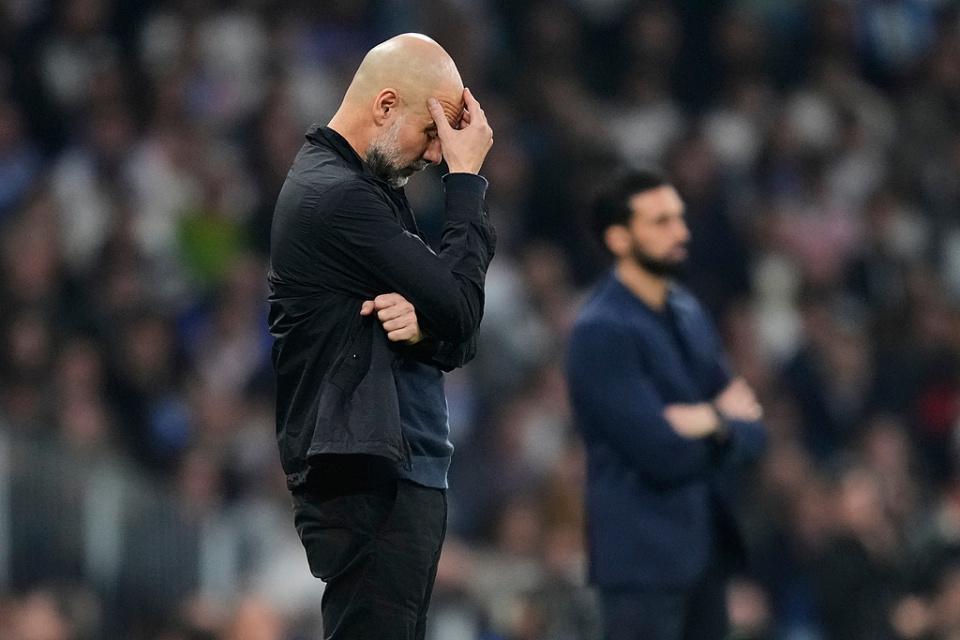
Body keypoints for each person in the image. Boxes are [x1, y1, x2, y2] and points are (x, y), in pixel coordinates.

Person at [267, 34, 495, 639]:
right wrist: (467, 181)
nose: (437, 154)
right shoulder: (337, 196)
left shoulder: (369, 189)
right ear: (386, 104)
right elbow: (461, 310)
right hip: (369, 481)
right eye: (432, 133)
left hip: (400, 474)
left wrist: (423, 330)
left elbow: (458, 334)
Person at [566, 170, 767, 640]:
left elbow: (756, 431)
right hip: (641, 562)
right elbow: (660, 452)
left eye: (679, 218)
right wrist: (722, 418)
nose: (681, 232)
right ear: (618, 238)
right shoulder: (601, 330)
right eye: (661, 222)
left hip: (705, 555)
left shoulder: (688, 311)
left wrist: (705, 421)